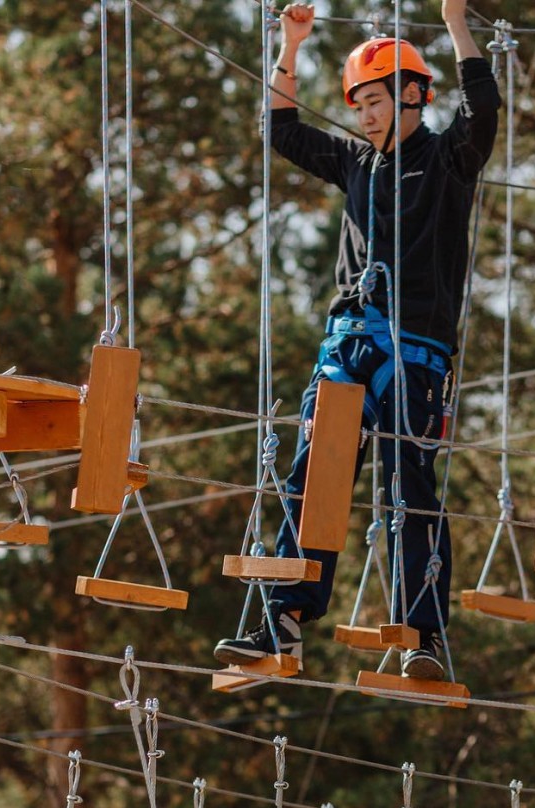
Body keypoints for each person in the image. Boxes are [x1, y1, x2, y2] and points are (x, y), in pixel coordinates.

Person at [214, 1, 499, 680]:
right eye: (359, 104)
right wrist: (291, 44)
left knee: (410, 486)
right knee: (317, 476)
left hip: (417, 352)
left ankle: (421, 639)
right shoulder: (355, 165)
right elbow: (282, 130)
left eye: (376, 101)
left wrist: (455, 21)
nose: (366, 116)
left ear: (412, 95)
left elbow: (483, 113)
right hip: (348, 344)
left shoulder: (449, 160)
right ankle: (283, 621)